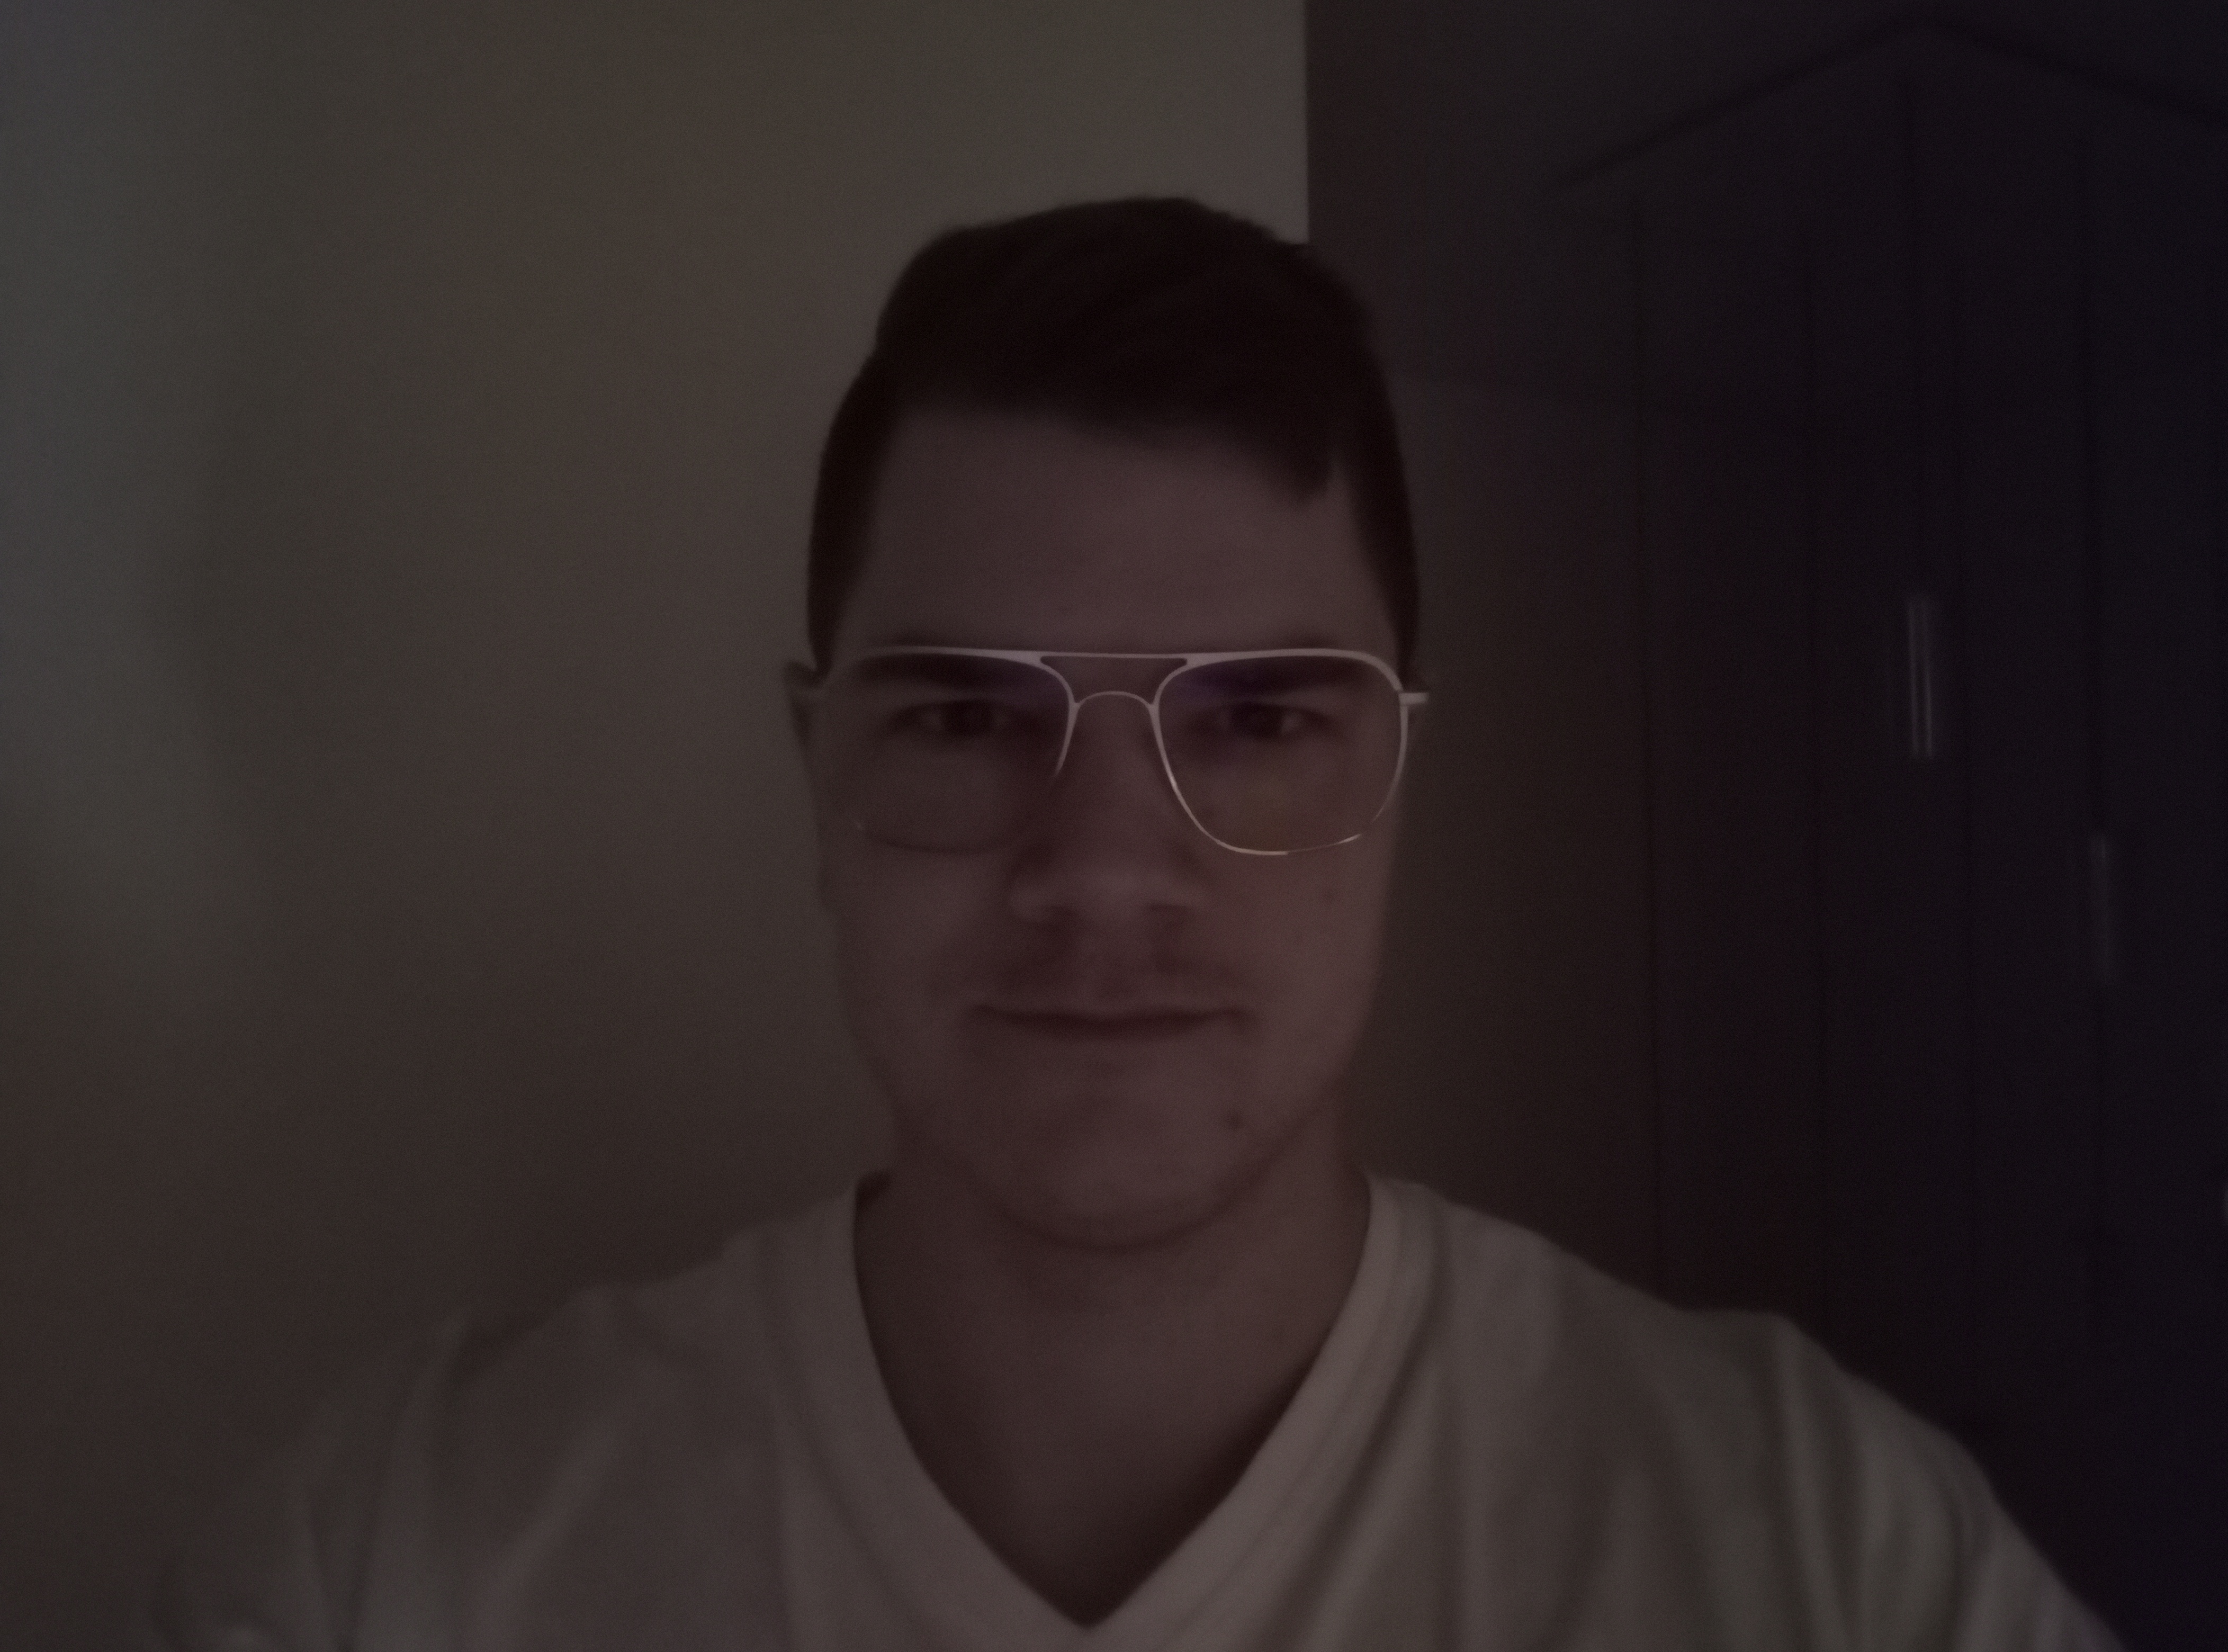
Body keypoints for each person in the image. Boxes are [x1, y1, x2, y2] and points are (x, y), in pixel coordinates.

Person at [149, 197, 2122, 1650]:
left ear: (1396, 780)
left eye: (1258, 720)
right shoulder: (397, 1558)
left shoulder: (1832, 1560)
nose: (1102, 866)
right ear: (819, 775)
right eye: (962, 715)